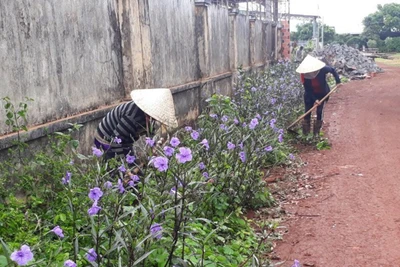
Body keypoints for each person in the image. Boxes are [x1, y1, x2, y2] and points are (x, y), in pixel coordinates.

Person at [94, 88, 178, 159]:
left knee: (133, 168)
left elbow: (151, 135)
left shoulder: (151, 117)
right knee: (116, 170)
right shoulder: (131, 118)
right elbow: (116, 141)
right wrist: (126, 168)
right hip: (106, 139)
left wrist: (153, 148)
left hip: (124, 141)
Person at [295, 55, 341, 136]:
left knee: (319, 111)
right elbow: (307, 89)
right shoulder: (304, 75)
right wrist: (315, 99)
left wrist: (338, 81)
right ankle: (306, 134)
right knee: (307, 112)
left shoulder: (322, 69)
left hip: (322, 93)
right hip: (310, 95)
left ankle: (316, 134)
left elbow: (333, 70)